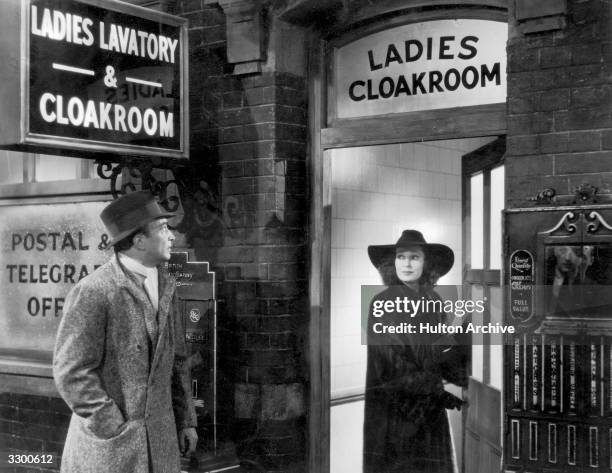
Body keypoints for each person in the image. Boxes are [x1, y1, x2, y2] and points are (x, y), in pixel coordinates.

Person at [53, 191, 198, 473]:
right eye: (163, 229)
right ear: (139, 240)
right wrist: (112, 425)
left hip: (161, 447)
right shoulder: (95, 291)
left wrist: (186, 421)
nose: (172, 236)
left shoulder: (168, 286)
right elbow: (71, 372)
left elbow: (178, 361)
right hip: (110, 452)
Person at [364, 230, 467, 473]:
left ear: (426, 263)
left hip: (428, 407)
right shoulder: (382, 303)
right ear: (393, 263)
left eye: (414, 257)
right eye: (401, 257)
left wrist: (461, 370)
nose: (407, 264)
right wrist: (436, 392)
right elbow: (391, 364)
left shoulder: (433, 300)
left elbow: (438, 351)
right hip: (395, 410)